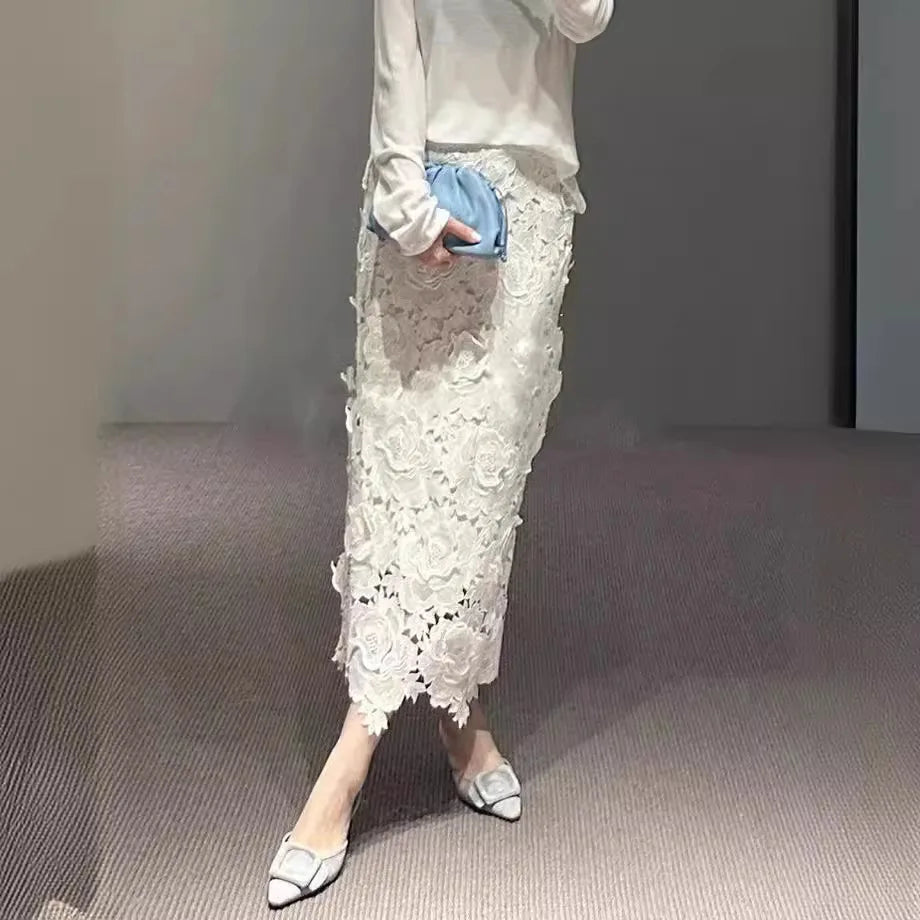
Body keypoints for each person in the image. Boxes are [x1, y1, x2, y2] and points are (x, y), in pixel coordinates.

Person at [267, 0, 613, 907]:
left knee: (479, 486)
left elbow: (586, 17)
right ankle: (433, 729)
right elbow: (397, 42)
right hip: (423, 184)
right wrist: (404, 198)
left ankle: (402, 736)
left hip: (527, 199)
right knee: (399, 473)